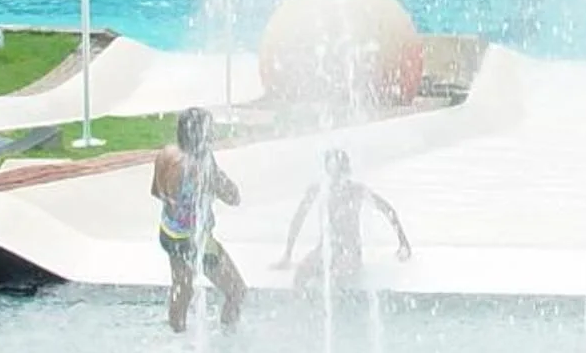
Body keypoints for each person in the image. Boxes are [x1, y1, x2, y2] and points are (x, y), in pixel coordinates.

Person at [151, 107, 245, 333]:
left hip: (169, 232)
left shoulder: (166, 154)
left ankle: (177, 337)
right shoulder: (202, 168)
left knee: (182, 288)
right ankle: (229, 340)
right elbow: (234, 197)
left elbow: (156, 191)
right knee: (236, 291)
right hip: (194, 239)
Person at [276, 149, 412, 288]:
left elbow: (388, 210)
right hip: (325, 248)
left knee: (337, 276)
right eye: (332, 173)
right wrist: (287, 254)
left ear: (345, 172)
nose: (336, 179)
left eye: (338, 173)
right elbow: (299, 218)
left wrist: (403, 243)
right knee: (301, 274)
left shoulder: (356, 190)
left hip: (350, 249)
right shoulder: (319, 189)